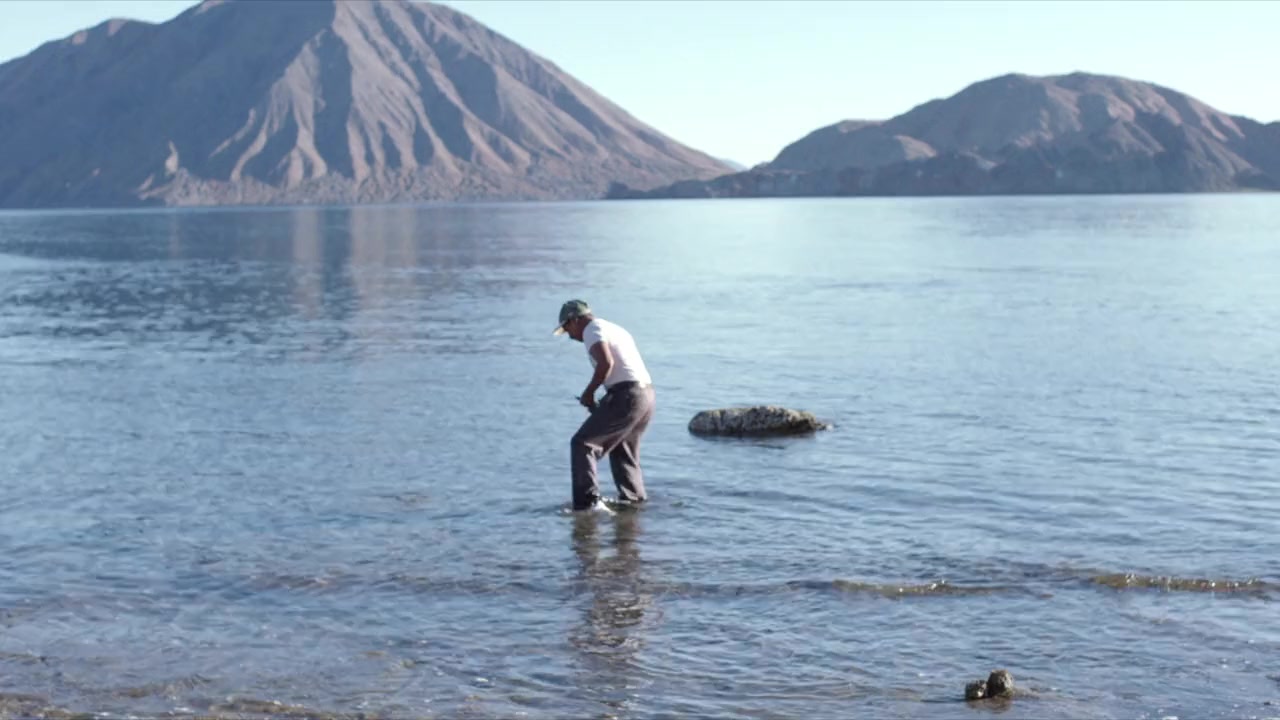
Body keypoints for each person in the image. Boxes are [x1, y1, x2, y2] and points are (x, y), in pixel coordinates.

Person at [554, 299, 655, 513]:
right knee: (623, 450)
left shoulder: (592, 329)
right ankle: (633, 504)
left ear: (574, 320)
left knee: (583, 444)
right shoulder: (614, 328)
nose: (569, 336)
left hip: (627, 395)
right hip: (645, 395)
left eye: (567, 329)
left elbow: (606, 363)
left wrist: (589, 392)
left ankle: (587, 505)